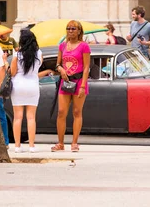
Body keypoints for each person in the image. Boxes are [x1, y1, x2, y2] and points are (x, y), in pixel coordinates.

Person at [10, 30, 53, 153]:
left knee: (17, 117)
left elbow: (13, 72)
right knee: (31, 117)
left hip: (18, 85)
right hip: (33, 86)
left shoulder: (17, 54)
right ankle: (32, 146)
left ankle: (17, 146)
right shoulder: (39, 53)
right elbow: (37, 68)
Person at [52, 20, 91, 152]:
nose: (70, 31)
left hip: (79, 81)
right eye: (68, 28)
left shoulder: (84, 46)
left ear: (79, 31)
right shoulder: (62, 46)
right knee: (61, 112)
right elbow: (57, 63)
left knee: (77, 111)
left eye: (73, 28)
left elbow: (86, 67)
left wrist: (83, 86)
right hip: (65, 82)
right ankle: (60, 143)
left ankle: (74, 142)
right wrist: (60, 69)